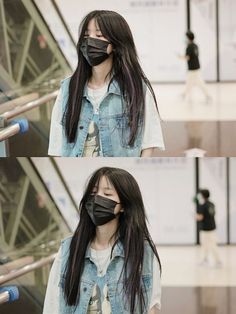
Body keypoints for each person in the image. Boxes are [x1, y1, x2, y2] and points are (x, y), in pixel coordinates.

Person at [43, 167, 161, 314]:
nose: (97, 199)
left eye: (107, 193)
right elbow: (52, 306)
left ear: (123, 205)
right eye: (93, 193)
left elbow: (151, 307)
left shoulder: (143, 251)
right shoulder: (69, 249)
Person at [48, 10, 165, 157]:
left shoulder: (136, 89)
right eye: (86, 36)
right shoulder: (69, 89)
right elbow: (56, 145)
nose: (90, 41)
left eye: (98, 35)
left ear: (116, 43)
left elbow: (149, 143)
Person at [179, 30, 211, 103]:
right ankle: (184, 94)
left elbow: (187, 57)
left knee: (199, 82)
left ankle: (207, 95)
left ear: (188, 38)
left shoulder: (189, 47)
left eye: (185, 37)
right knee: (190, 82)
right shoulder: (195, 45)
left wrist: (180, 57)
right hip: (196, 66)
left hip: (193, 68)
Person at [196, 189, 222, 267]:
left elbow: (200, 217)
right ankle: (205, 259)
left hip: (205, 228)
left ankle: (218, 261)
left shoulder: (203, 205)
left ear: (202, 195)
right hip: (212, 227)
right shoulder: (212, 204)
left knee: (211, 245)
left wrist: (196, 217)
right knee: (206, 245)